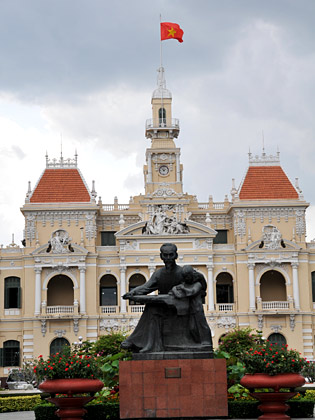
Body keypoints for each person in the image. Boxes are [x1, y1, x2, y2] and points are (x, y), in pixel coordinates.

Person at [121, 243, 213, 354]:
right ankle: (149, 345)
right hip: (165, 305)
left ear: (176, 255)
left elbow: (200, 284)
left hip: (181, 307)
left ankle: (136, 341)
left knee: (154, 306)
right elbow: (146, 287)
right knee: (152, 307)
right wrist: (132, 293)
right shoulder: (159, 274)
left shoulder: (182, 272)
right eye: (165, 255)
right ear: (161, 256)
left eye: (171, 255)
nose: (168, 258)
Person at [171, 265, 212, 346]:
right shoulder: (185, 284)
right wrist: (175, 290)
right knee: (192, 328)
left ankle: (207, 342)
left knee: (203, 326)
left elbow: (191, 292)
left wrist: (183, 288)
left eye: (187, 277)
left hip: (197, 309)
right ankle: (198, 342)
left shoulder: (198, 284)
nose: (186, 279)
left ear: (192, 275)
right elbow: (174, 289)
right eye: (185, 277)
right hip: (189, 310)